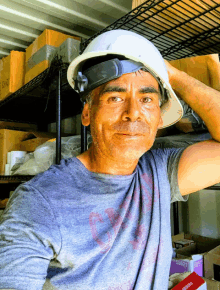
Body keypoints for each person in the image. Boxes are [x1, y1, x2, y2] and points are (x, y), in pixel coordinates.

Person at [0, 29, 220, 290]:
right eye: (115, 98)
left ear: (159, 119)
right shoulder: (39, 202)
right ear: (86, 114)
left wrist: (171, 74)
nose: (133, 113)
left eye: (147, 99)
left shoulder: (160, 172)